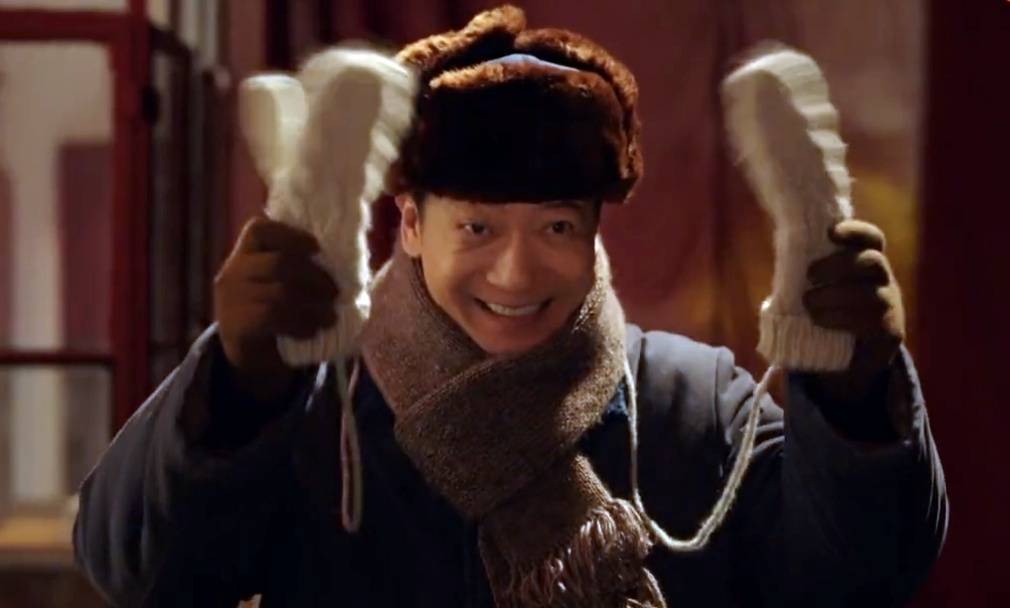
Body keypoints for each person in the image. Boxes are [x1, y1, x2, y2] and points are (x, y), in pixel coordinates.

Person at [73, 6, 946, 607]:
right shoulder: (319, 407)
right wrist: (240, 383)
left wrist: (855, 389)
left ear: (595, 230)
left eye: (556, 226)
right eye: (478, 226)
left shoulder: (693, 405)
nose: (518, 270)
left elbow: (860, 578)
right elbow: (142, 573)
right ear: (411, 225)